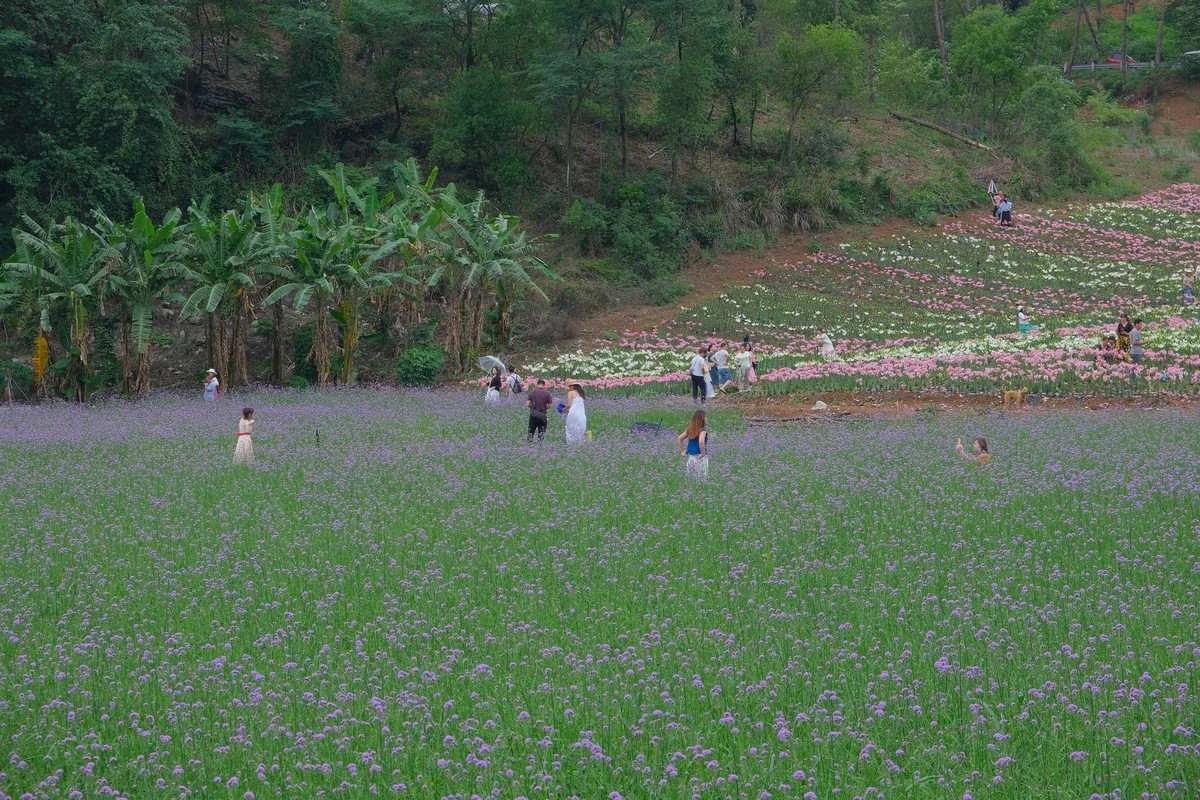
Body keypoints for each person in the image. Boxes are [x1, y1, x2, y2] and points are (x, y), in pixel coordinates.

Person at [678, 409, 709, 479]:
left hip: (691, 458)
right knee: (701, 479)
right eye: (705, 417)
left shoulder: (690, 430)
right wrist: (703, 453)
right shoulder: (703, 430)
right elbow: (701, 441)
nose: (707, 419)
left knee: (691, 479)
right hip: (700, 458)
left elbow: (680, 438)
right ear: (701, 419)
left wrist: (682, 451)